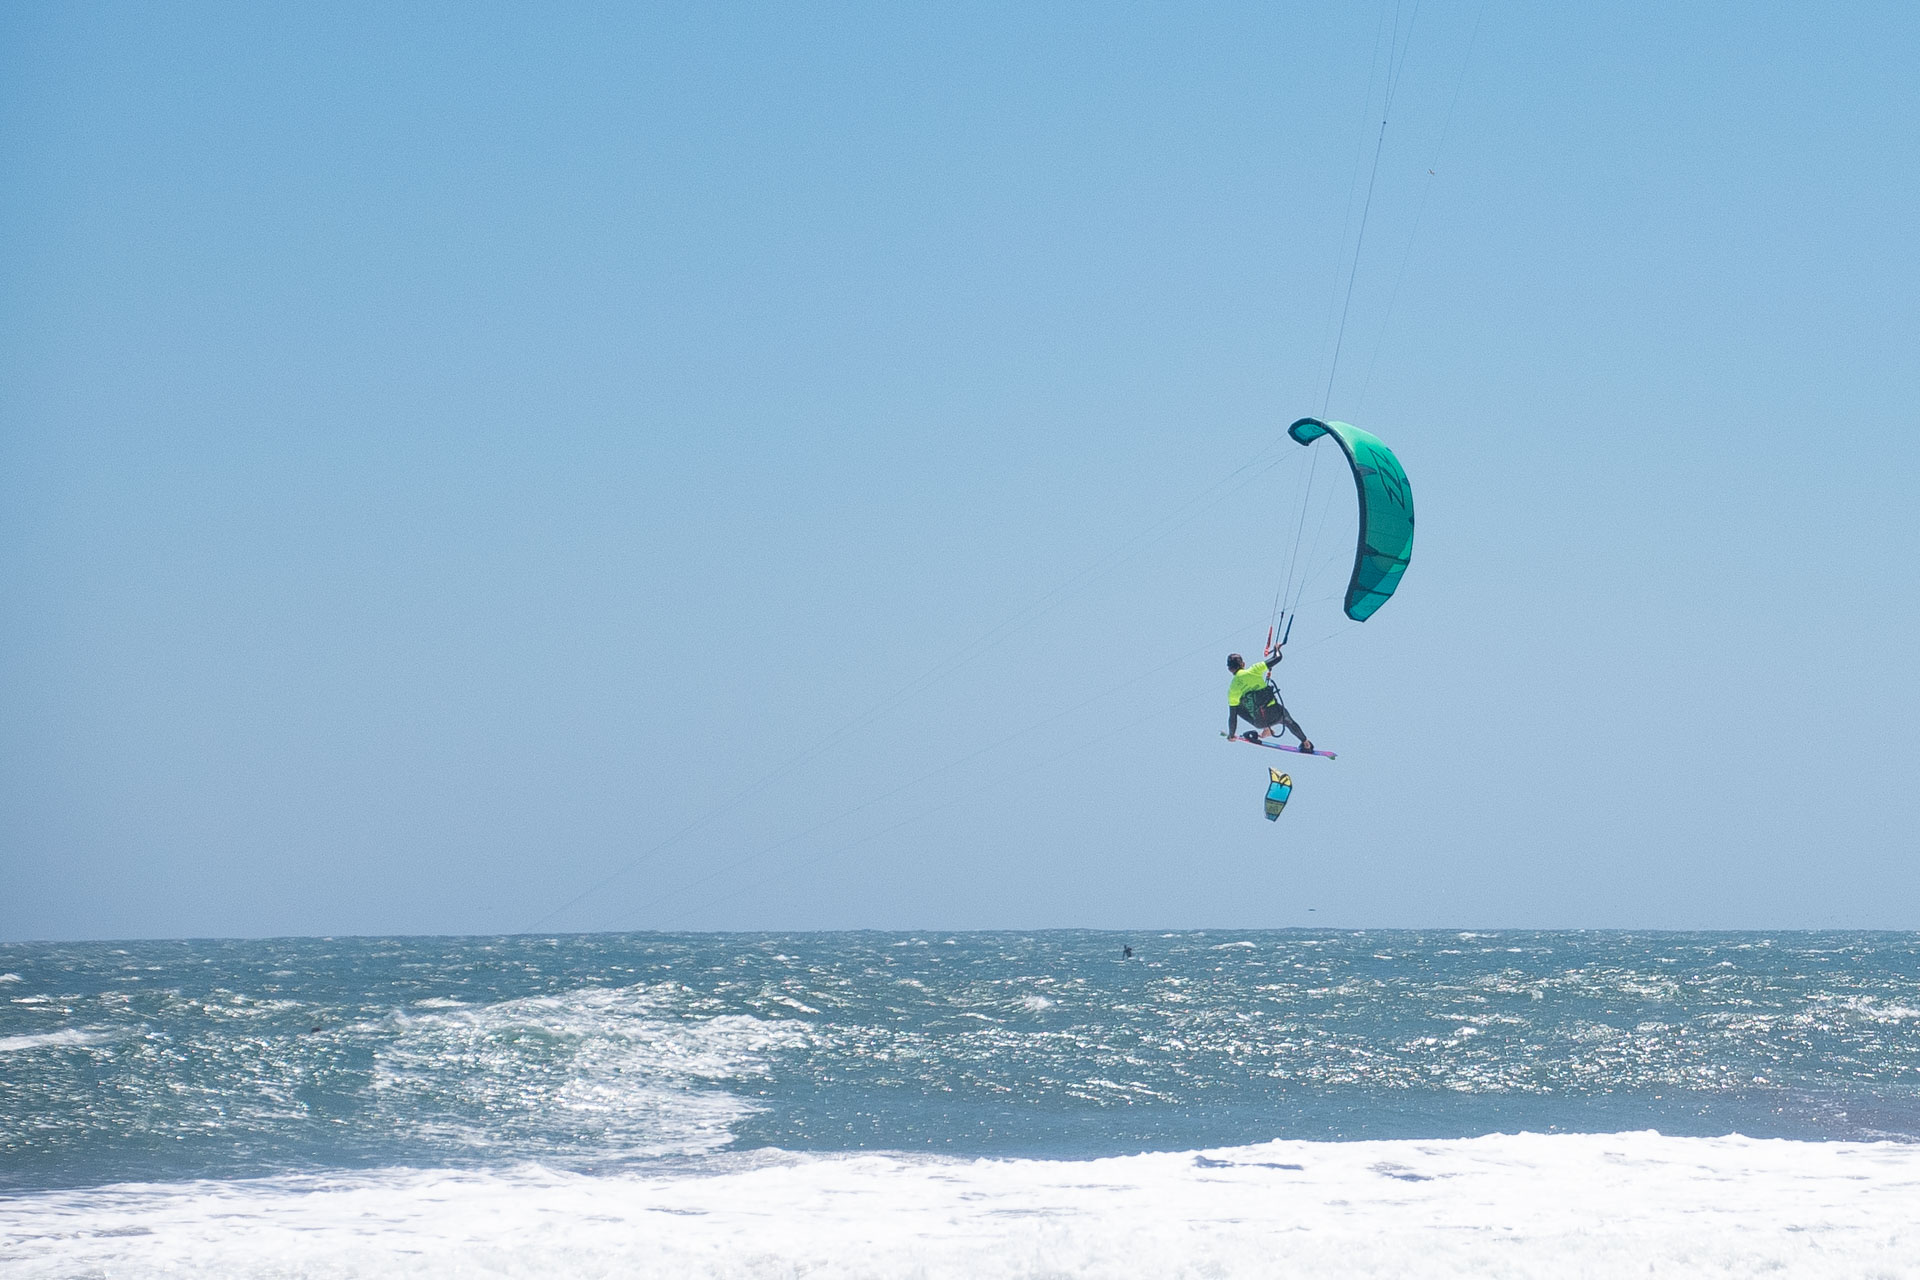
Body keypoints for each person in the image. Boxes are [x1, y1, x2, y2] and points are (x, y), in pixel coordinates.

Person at [1227, 651, 1313, 752]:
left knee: (1236, 708)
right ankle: (1305, 743)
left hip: (1260, 722)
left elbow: (1232, 718)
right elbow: (1278, 658)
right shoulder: (1254, 670)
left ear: (1229, 669)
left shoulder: (1232, 690)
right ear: (1243, 664)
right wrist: (1277, 649)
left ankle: (1267, 729)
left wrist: (1232, 734)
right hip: (1276, 714)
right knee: (1288, 720)